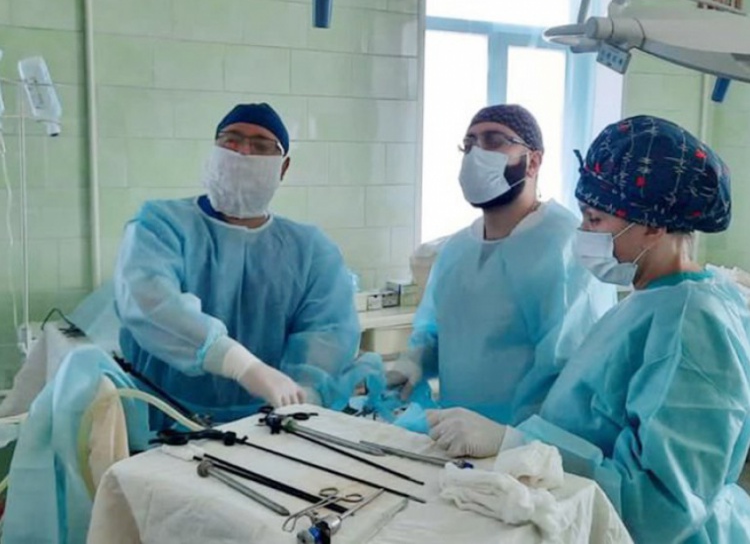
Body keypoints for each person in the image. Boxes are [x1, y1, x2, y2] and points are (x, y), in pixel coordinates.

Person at [427, 115, 750, 542]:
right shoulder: (649, 300)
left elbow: (662, 506)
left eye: (595, 220)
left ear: (654, 226)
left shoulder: (692, 324)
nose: (581, 232)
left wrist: (518, 446)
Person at [114, 103, 363, 429]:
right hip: (164, 418)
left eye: (261, 146)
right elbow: (150, 302)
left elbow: (327, 333)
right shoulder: (161, 225)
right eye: (231, 140)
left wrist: (303, 394)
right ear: (214, 150)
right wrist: (240, 364)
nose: (243, 151)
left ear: (283, 167)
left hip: (267, 426)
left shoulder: (311, 251)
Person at [386, 104, 616, 427]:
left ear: (533, 161)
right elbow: (441, 333)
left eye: (494, 141)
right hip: (453, 437)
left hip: (532, 447)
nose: (476, 154)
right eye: (469, 144)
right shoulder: (457, 250)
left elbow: (570, 374)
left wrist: (516, 440)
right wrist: (414, 361)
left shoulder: (567, 249)